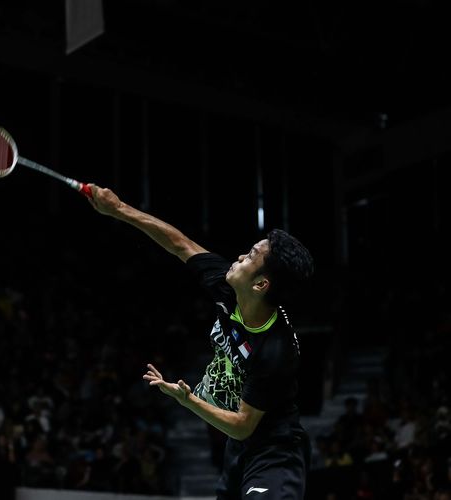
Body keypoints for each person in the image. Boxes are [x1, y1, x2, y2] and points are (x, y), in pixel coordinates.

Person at [88, 184, 314, 499]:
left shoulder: (276, 350)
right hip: (237, 453)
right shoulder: (228, 290)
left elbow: (243, 425)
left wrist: (188, 400)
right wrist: (119, 209)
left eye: (250, 256)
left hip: (274, 456)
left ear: (261, 284)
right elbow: (180, 245)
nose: (239, 257)